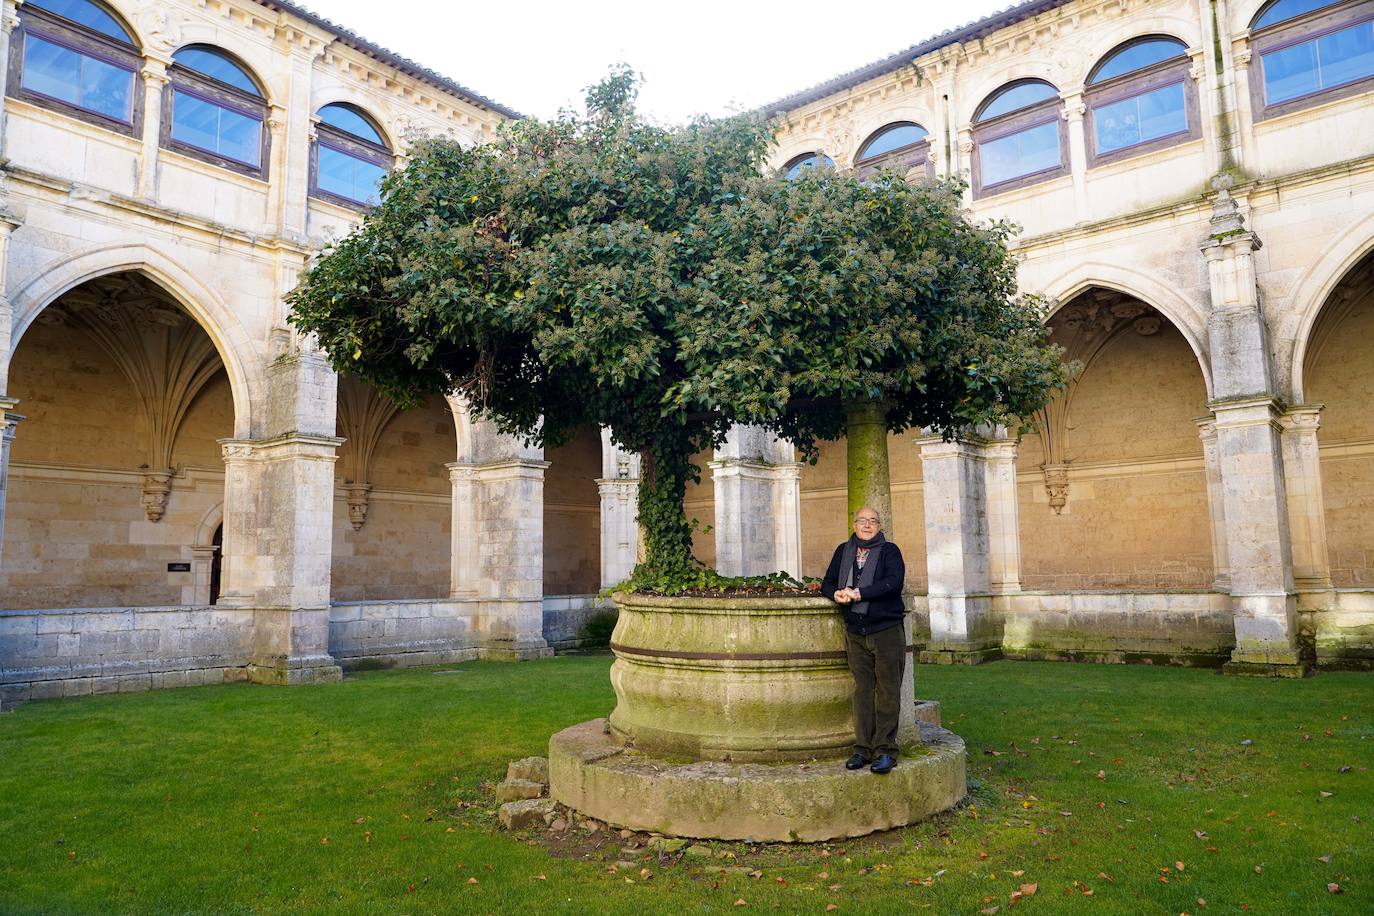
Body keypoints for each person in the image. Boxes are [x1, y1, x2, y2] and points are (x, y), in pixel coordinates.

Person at [821, 506, 907, 774]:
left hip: (886, 631)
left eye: (873, 521)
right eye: (862, 521)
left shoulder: (889, 551)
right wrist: (836, 594)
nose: (867, 525)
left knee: (888, 691)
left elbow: (894, 583)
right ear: (855, 524)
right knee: (862, 691)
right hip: (856, 631)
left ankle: (885, 750)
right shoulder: (843, 551)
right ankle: (862, 749)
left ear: (880, 526)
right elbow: (827, 582)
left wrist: (858, 593)